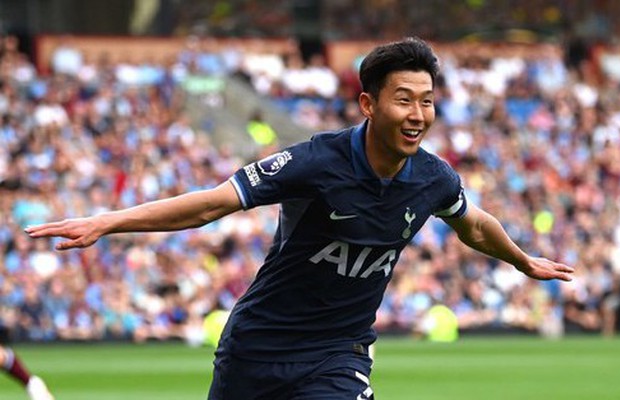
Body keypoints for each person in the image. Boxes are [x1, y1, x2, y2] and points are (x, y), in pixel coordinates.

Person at [25, 37, 574, 400]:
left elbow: (474, 225)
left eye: (427, 102)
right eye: (404, 100)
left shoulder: (433, 178)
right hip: (258, 349)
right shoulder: (314, 162)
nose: (418, 115)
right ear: (367, 104)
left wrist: (523, 261)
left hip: (339, 354)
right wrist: (107, 221)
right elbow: (215, 202)